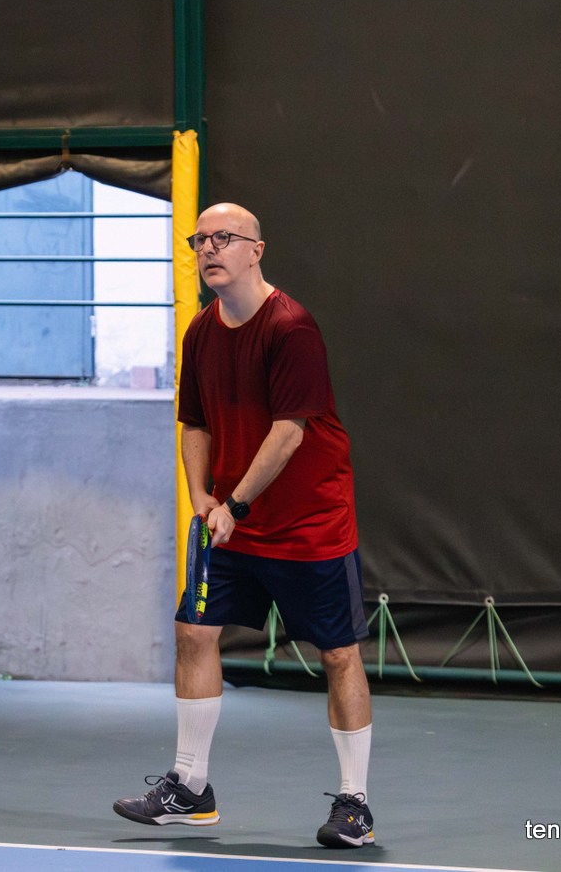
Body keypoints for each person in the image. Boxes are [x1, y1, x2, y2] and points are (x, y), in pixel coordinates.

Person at [112, 203, 375, 849]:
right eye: (199, 239)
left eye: (223, 238)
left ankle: (355, 805)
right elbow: (194, 422)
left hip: (309, 523)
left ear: (256, 250)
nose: (209, 248)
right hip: (232, 522)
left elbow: (289, 433)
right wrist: (201, 495)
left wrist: (236, 504)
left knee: (338, 654)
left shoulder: (291, 327)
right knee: (193, 632)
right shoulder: (201, 333)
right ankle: (190, 789)